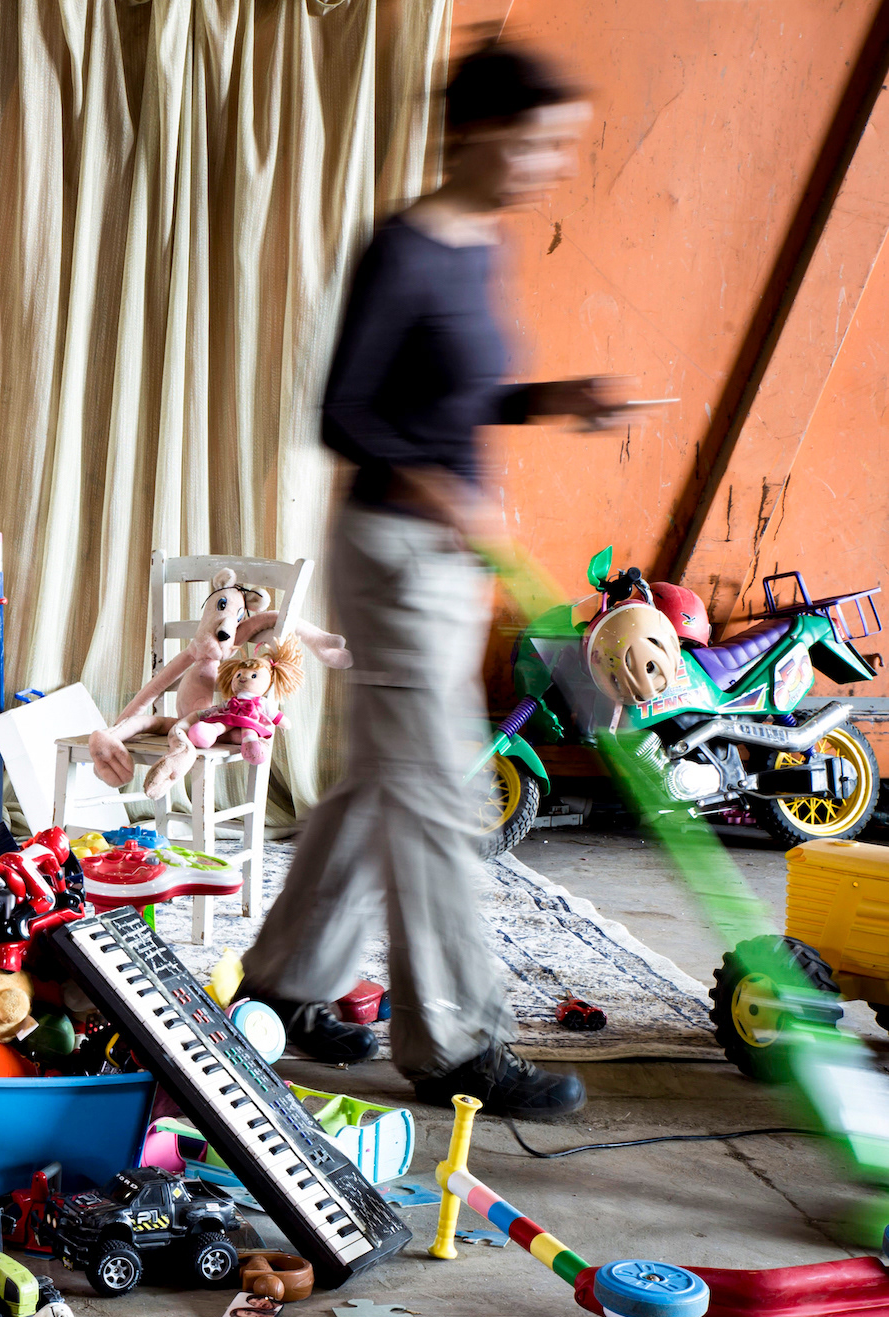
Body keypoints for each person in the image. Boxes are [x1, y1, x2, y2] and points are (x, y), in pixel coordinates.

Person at [241, 43, 620, 1120]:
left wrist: (548, 399)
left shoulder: (477, 246)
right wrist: (439, 489)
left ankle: (282, 986)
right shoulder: (402, 247)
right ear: (477, 131)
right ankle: (456, 1045)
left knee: (386, 784)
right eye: (537, 141)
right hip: (395, 551)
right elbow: (344, 415)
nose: (552, 164)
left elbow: (455, 397)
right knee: (439, 794)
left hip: (446, 561)